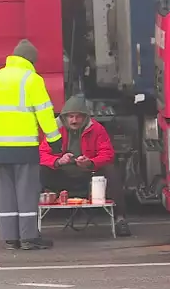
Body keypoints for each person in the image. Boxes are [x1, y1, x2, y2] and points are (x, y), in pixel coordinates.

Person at [0, 39, 63, 250]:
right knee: (26, 192)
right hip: (24, 147)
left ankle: (10, 237)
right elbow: (44, 113)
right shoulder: (31, 79)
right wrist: (54, 140)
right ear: (30, 59)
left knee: (6, 194)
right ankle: (28, 237)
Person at [39, 95, 132, 237]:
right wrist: (58, 161)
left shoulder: (97, 129)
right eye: (70, 117)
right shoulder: (54, 130)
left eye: (78, 117)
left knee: (111, 170)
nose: (74, 120)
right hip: (61, 176)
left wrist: (91, 162)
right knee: (38, 171)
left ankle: (120, 219)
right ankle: (31, 224)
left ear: (85, 117)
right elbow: (41, 154)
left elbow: (107, 154)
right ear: (64, 117)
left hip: (89, 176)